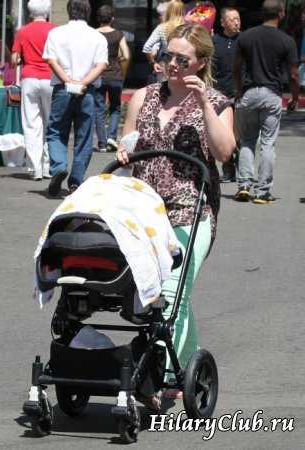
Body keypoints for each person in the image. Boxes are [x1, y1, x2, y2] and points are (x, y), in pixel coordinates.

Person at [117, 23, 235, 405]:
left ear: (201, 62)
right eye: (168, 56)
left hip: (192, 208)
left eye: (182, 59)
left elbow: (223, 152)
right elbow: (129, 138)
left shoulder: (217, 102)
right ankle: (188, 366)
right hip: (145, 210)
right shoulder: (144, 95)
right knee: (160, 296)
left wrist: (203, 105)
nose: (172, 64)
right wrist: (123, 149)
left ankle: (159, 380)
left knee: (172, 292)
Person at [233, 0, 299, 204]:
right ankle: (263, 192)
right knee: (268, 143)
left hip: (249, 93)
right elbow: (294, 75)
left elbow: (236, 66)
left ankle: (244, 185)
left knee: (247, 140)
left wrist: (238, 90)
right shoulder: (287, 40)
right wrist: (294, 97)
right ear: (281, 13)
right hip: (271, 94)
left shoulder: (246, 36)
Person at [43, 0, 108, 197]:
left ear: (69, 10)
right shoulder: (97, 36)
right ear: (88, 12)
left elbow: (51, 59)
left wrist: (67, 80)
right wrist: (84, 83)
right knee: (84, 136)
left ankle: (59, 167)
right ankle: (76, 181)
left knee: (56, 131)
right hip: (87, 91)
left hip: (63, 88)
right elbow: (101, 64)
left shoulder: (56, 33)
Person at [11, 0, 56, 180]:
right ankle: (47, 166)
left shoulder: (22, 31)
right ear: (47, 11)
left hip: (29, 77)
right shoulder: (55, 30)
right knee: (50, 122)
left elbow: (14, 59)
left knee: (31, 123)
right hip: (50, 78)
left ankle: (34, 167)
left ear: (30, 12)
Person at [94, 5, 130, 153]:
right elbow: (126, 55)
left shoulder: (94, 34)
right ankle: (112, 138)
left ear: (98, 18)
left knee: (99, 109)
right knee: (115, 107)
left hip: (99, 74)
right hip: (115, 74)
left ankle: (101, 143)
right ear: (112, 19)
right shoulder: (118, 34)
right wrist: (116, 59)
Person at [213, 7, 241, 183]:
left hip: (240, 93)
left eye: (238, 18)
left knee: (239, 135)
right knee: (225, 133)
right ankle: (228, 169)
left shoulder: (245, 41)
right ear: (223, 22)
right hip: (220, 93)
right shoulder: (214, 41)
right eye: (232, 19)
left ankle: (243, 169)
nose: (236, 22)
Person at [142, 0, 185, 83]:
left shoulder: (162, 27)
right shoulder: (188, 27)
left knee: (163, 92)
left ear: (169, 11)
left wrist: (153, 63)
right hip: (184, 65)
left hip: (166, 66)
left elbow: (146, 48)